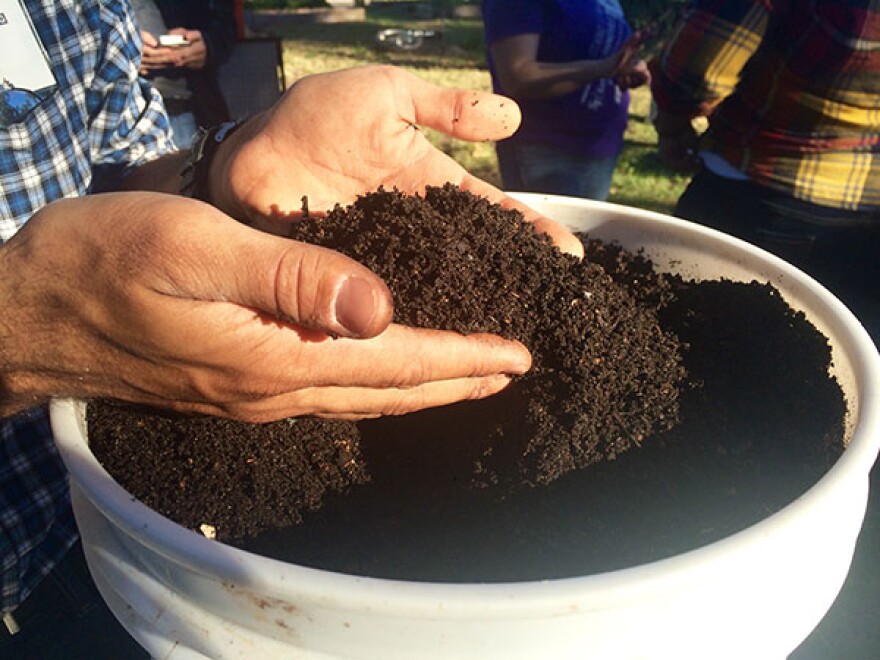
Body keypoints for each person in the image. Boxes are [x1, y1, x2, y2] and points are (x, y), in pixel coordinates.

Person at [0, 2, 583, 655]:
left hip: (121, 540)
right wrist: (19, 324)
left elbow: (117, 173)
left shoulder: (71, 6)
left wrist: (222, 168)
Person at [649, 0, 880, 329]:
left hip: (756, 197)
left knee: (689, 334)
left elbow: (699, 67)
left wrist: (672, 129)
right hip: (867, 228)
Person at [481, 0, 651, 200]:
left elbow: (605, 54)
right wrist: (603, 68)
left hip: (599, 145)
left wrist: (627, 66)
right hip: (545, 149)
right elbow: (517, 76)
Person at [133, 0, 237, 147]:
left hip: (188, 112)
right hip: (117, 116)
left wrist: (208, 44)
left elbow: (225, 27)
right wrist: (123, 50)